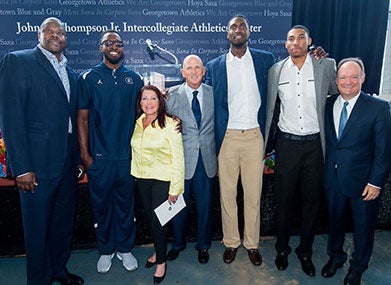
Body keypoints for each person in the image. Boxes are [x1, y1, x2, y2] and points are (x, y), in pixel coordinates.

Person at [0, 17, 84, 285]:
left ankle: (58, 270)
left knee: (62, 225)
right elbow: (11, 118)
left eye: (60, 32)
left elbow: (71, 121)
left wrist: (77, 160)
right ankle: (38, 280)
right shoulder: (18, 61)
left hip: (66, 165)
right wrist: (21, 167)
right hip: (36, 167)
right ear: (39, 35)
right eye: (50, 30)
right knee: (37, 231)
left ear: (66, 40)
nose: (56, 35)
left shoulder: (71, 73)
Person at [264, 25, 338, 276]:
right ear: (285, 44)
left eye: (300, 38)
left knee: (311, 202)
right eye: (290, 38)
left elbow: (339, 93)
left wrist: (324, 56)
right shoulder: (275, 71)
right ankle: (282, 248)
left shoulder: (325, 66)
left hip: (315, 146)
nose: (295, 42)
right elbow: (271, 109)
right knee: (283, 202)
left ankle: (305, 252)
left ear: (310, 41)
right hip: (287, 145)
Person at [204, 14, 275, 266]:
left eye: (242, 26)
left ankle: (252, 243)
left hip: (255, 136)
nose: (238, 30)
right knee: (227, 195)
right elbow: (206, 103)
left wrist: (318, 56)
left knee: (253, 195)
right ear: (227, 34)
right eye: (233, 26)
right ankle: (232, 242)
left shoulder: (265, 60)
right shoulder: (213, 66)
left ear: (248, 32)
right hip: (228, 138)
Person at [77, 30, 143, 273]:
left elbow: (141, 116)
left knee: (126, 206)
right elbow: (82, 119)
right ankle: (105, 250)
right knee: (102, 207)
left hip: (126, 158)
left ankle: (125, 249)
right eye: (109, 43)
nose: (114, 46)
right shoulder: (88, 78)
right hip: (100, 160)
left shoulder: (134, 79)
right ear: (101, 47)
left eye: (119, 43)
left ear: (123, 49)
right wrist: (85, 157)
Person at [321, 58, 391, 285]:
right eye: (342, 77)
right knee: (335, 223)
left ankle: (358, 266)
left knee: (363, 227)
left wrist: (376, 182)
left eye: (353, 77)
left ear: (362, 78)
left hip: (364, 184)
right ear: (336, 80)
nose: (347, 82)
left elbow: (383, 150)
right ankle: (336, 257)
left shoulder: (378, 107)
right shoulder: (328, 103)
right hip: (333, 179)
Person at [165, 54, 217, 264]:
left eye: (198, 67)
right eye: (189, 68)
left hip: (207, 159)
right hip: (181, 161)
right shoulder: (170, 95)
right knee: (178, 206)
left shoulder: (214, 93)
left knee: (205, 206)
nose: (194, 71)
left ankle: (203, 245)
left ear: (204, 71)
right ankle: (177, 244)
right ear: (182, 72)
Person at [131, 85, 184, 284]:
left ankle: (161, 261)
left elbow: (179, 158)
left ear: (160, 101)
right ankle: (158, 249)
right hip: (142, 178)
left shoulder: (171, 124)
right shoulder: (137, 123)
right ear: (140, 102)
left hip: (163, 180)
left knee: (158, 221)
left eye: (153, 98)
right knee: (151, 219)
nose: (149, 102)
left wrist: (175, 189)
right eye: (144, 98)